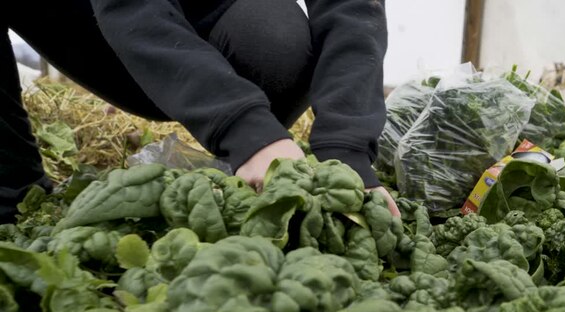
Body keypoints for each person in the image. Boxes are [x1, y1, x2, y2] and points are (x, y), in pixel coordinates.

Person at [1, 0, 400, 224]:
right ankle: (14, 200)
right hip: (83, 21)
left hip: (202, 12)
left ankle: (249, 165)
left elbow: (351, 7)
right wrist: (243, 127)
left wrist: (346, 149)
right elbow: (131, 8)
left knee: (277, 44)